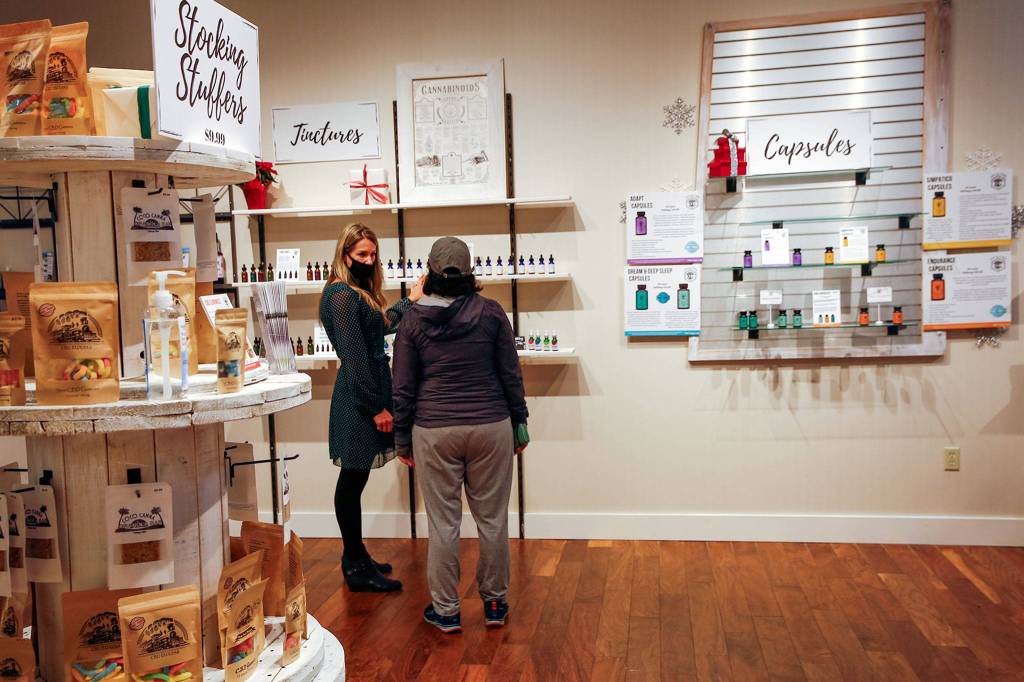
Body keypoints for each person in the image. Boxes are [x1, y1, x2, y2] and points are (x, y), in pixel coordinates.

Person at [392, 237, 529, 633]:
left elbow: (402, 386)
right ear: (471, 272)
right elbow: (510, 373)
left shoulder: (413, 319)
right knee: (493, 520)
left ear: (429, 271)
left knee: (443, 523)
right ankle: (495, 605)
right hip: (491, 425)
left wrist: (402, 440)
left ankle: (447, 610)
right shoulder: (491, 313)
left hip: (434, 429)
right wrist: (519, 421)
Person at [320, 223, 423, 592]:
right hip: (357, 400)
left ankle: (357, 556)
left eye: (373, 254)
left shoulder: (356, 293)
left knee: (356, 477)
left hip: (365, 395)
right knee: (351, 479)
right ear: (345, 255)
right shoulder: (341, 296)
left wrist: (411, 299)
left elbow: (383, 325)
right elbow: (355, 358)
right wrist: (376, 407)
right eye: (361, 254)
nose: (369, 260)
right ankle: (354, 564)